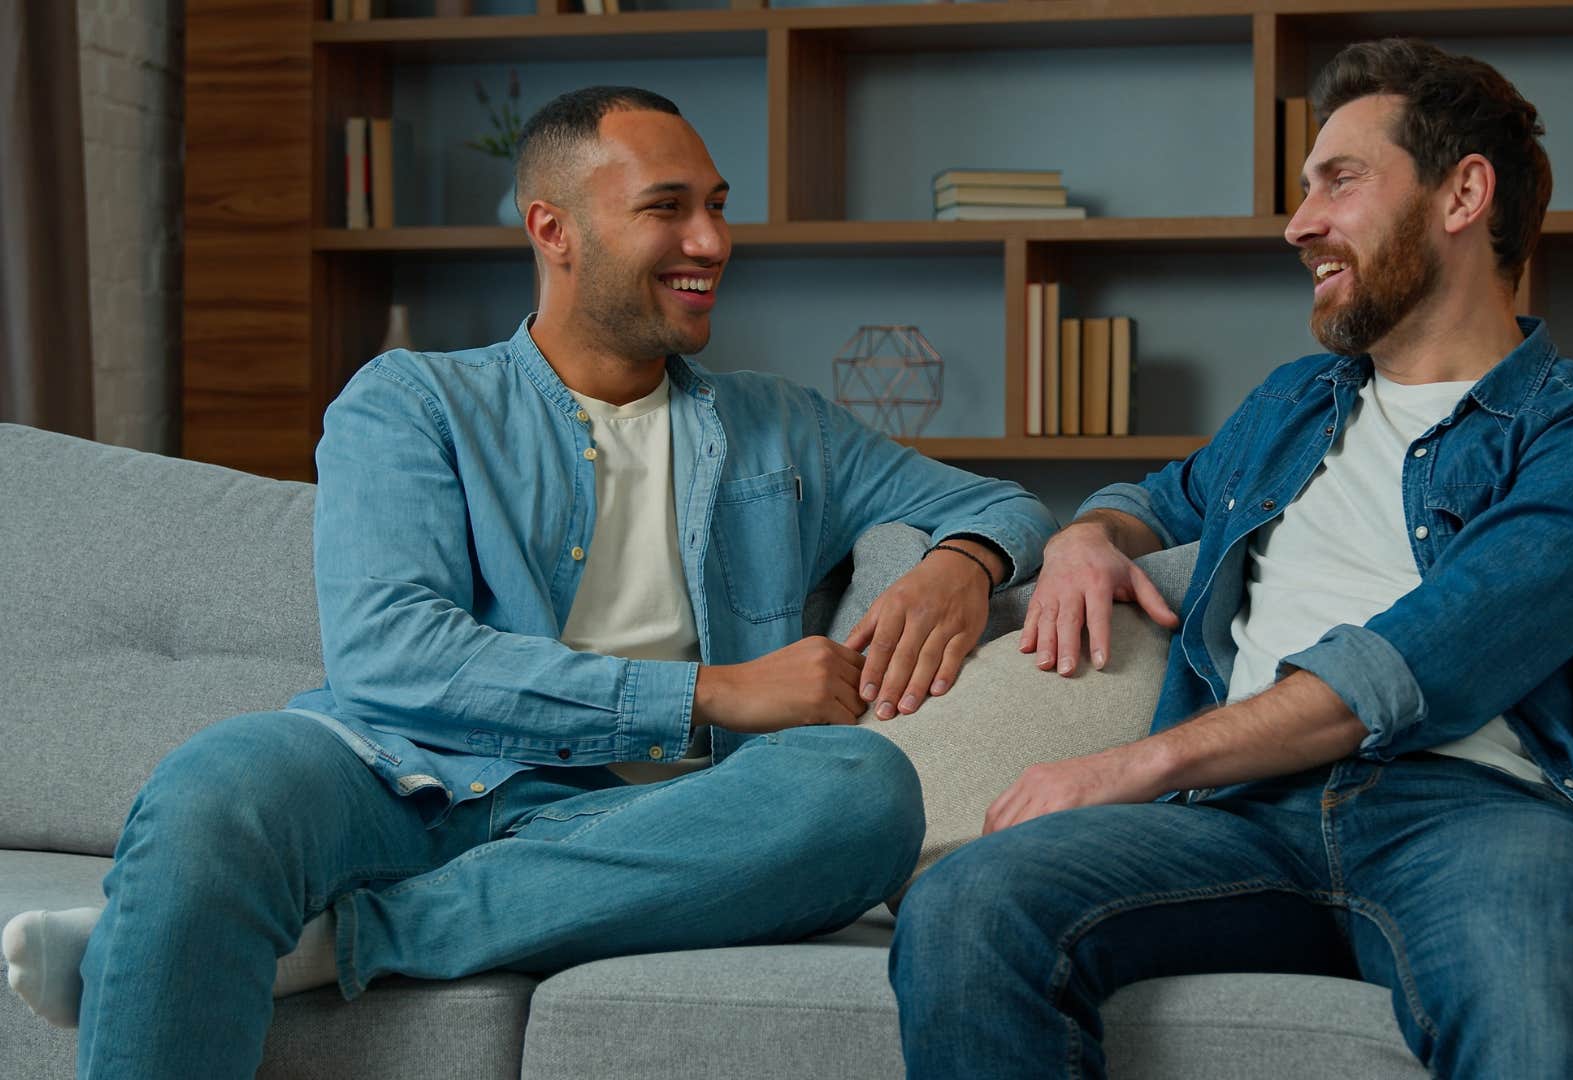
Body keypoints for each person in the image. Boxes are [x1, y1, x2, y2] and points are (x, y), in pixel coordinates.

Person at [2, 86, 1053, 1077]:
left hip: (651, 823)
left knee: (861, 792)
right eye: (668, 210)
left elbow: (1003, 503)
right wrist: (712, 695)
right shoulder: (412, 401)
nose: (713, 244)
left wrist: (964, 562)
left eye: (719, 209)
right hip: (400, 780)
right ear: (554, 231)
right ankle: (332, 915)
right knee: (217, 786)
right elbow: (392, 658)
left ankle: (341, 942)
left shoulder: (782, 427)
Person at [889, 39, 1573, 1080]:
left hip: (1471, 819)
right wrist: (1082, 540)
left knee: (1533, 982)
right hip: (1236, 825)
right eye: (1302, 190)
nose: (1299, 224)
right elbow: (1152, 498)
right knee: (967, 902)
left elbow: (1418, 660)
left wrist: (1136, 763)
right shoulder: (1294, 402)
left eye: (1339, 181)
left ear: (1463, 193)